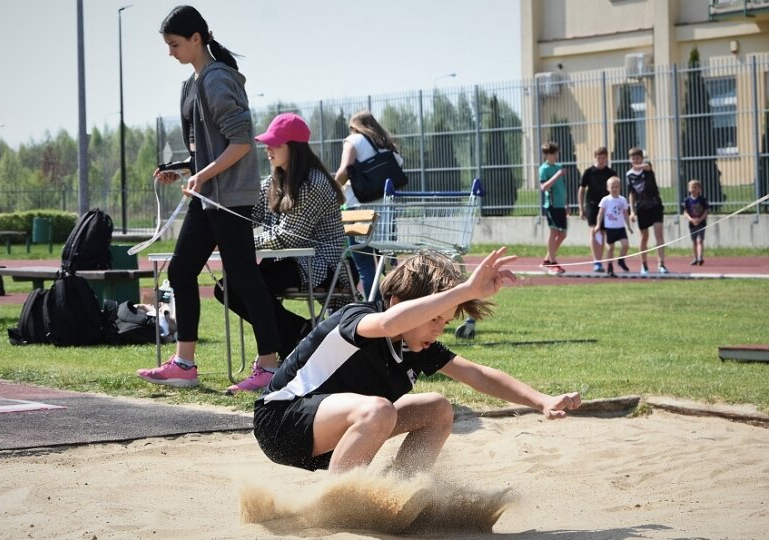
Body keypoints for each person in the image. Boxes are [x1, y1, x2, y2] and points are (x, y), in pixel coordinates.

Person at [252, 248, 582, 474]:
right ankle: (342, 505)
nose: (438, 330)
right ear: (396, 302)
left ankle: (400, 492)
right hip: (281, 423)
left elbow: (478, 375)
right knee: (378, 408)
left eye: (445, 322)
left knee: (437, 408)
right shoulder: (360, 318)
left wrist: (541, 400)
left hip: (332, 439)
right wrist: (464, 290)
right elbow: (390, 323)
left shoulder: (418, 346)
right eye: (433, 318)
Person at [136, 5, 282, 391]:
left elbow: (240, 143)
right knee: (181, 272)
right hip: (209, 194)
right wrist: (184, 167)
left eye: (175, 44)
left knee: (244, 279)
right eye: (168, 45)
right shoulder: (191, 83)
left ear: (196, 38)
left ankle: (269, 368)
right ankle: (185, 364)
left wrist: (201, 174)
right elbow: (206, 147)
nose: (171, 52)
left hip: (229, 197)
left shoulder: (217, 80)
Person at [214, 113, 349, 393]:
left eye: (275, 143)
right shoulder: (272, 182)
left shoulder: (313, 183)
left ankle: (294, 341)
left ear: (294, 147)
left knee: (241, 287)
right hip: (289, 259)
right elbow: (252, 221)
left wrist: (241, 244)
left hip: (318, 265)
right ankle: (301, 333)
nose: (268, 149)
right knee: (225, 288)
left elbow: (289, 236)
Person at [334, 110, 404, 298]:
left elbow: (344, 170)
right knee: (389, 263)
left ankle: (373, 307)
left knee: (365, 265)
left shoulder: (353, 140)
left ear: (354, 127)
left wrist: (333, 188)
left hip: (358, 209)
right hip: (386, 210)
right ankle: (400, 304)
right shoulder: (388, 145)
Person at [626, 147, 668, 275]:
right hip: (642, 208)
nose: (635, 160)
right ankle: (644, 265)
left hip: (655, 205)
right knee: (644, 237)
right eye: (633, 158)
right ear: (630, 159)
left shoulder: (647, 169)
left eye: (638, 158)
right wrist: (632, 211)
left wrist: (640, 165)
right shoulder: (629, 175)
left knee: (659, 234)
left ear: (642, 159)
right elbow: (631, 194)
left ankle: (661, 264)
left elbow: (648, 166)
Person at [579, 147, 616, 273]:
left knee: (603, 232)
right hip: (592, 204)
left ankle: (601, 260)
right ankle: (597, 261)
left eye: (603, 158)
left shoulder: (610, 173)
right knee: (594, 231)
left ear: (606, 158)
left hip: (606, 205)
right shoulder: (589, 172)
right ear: (595, 158)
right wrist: (580, 208)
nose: (601, 160)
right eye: (599, 158)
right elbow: (582, 189)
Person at [539, 142, 568, 275]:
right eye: (553, 153)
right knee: (554, 232)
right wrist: (557, 175)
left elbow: (562, 187)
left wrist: (566, 203)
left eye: (557, 153)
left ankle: (547, 260)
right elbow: (544, 187)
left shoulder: (558, 166)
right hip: (551, 205)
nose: (556, 155)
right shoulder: (544, 169)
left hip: (560, 205)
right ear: (546, 155)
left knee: (562, 234)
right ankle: (552, 262)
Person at [596, 176, 633, 277]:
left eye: (617, 187)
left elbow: (625, 214)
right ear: (608, 188)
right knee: (610, 248)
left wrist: (629, 226)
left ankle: (621, 260)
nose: (614, 189)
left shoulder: (623, 200)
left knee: (625, 245)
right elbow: (600, 213)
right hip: (610, 228)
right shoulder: (606, 200)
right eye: (612, 187)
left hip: (620, 227)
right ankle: (610, 266)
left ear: (620, 187)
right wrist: (598, 225)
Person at [683, 179, 709, 266]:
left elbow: (706, 211)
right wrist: (691, 219)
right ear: (688, 189)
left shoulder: (702, 200)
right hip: (692, 224)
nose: (693, 189)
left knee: (700, 240)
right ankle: (695, 258)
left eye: (695, 187)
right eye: (691, 187)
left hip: (701, 223)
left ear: (699, 189)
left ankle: (700, 257)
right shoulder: (687, 200)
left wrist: (700, 219)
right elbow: (685, 212)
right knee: (694, 241)